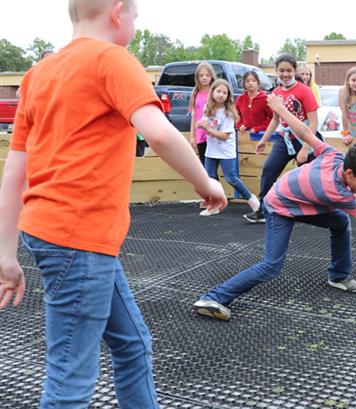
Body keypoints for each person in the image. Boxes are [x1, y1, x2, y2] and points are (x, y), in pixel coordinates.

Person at [0, 0, 228, 407]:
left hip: (54, 234)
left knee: (133, 343)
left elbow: (15, 171)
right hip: (79, 240)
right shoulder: (114, 60)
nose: (135, 25)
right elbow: (158, 133)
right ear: (118, 12)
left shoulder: (38, 75)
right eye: (136, 17)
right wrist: (205, 181)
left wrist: (5, 254)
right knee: (69, 382)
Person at [193, 94, 356, 321]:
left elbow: (305, 133)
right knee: (271, 266)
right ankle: (214, 297)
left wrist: (281, 110)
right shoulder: (335, 191)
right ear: (349, 173)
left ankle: (338, 276)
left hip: (299, 201)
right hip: (278, 207)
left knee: (340, 221)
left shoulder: (335, 156)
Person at [243, 53, 320, 224]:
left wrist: (306, 148)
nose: (285, 74)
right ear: (277, 71)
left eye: (289, 71)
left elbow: (314, 121)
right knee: (269, 169)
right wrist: (264, 140)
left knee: (311, 176)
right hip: (284, 138)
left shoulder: (304, 91)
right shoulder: (276, 92)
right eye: (281, 71)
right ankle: (263, 210)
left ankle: (316, 210)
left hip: (305, 139)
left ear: (294, 70)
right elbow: (276, 119)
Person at [197, 79, 260, 216]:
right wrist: (200, 125)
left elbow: (225, 136)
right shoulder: (208, 108)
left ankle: (252, 200)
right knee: (210, 178)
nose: (221, 95)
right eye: (218, 91)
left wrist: (207, 128)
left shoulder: (228, 112)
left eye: (224, 93)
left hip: (226, 151)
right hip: (211, 150)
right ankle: (215, 204)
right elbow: (205, 123)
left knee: (231, 177)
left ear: (228, 96)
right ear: (212, 92)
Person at [189, 62, 217, 165]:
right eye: (201, 75)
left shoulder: (215, 92)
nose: (204, 78)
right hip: (200, 135)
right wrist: (192, 136)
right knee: (204, 165)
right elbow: (194, 116)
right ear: (197, 77)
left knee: (212, 167)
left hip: (213, 134)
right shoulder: (195, 93)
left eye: (207, 75)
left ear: (211, 76)